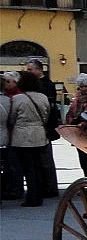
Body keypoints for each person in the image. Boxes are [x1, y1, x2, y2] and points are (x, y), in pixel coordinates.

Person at [8, 72, 50, 206]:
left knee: (27, 168)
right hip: (39, 134)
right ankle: (39, 195)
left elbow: (12, 117)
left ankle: (31, 197)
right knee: (38, 167)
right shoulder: (43, 97)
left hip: (22, 136)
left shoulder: (18, 99)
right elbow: (47, 115)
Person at [25, 59, 60, 197]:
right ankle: (46, 186)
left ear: (39, 69)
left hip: (44, 126)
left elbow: (49, 108)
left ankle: (50, 187)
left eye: (30, 69)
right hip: (42, 126)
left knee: (45, 159)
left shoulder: (46, 85)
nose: (28, 72)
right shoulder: (42, 84)